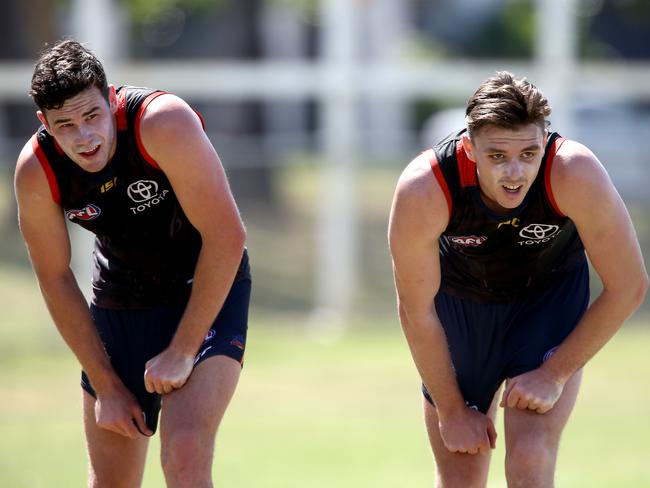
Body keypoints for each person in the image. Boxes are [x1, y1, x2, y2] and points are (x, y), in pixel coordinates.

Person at [388, 71, 648, 487]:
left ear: (544, 143)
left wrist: (554, 374)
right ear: (470, 149)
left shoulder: (574, 173)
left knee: (528, 461)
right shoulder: (426, 188)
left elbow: (628, 286)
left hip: (546, 302)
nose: (515, 172)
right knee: (461, 474)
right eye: (497, 156)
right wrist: (452, 411)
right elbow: (416, 311)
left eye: (529, 153)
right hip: (462, 308)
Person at [14, 39, 251, 487]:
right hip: (122, 297)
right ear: (44, 123)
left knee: (184, 452)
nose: (84, 138)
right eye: (65, 125)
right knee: (111, 481)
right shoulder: (37, 170)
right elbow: (55, 277)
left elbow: (227, 236)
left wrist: (182, 352)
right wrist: (105, 385)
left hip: (204, 283)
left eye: (92, 116)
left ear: (111, 99)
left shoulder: (161, 122)